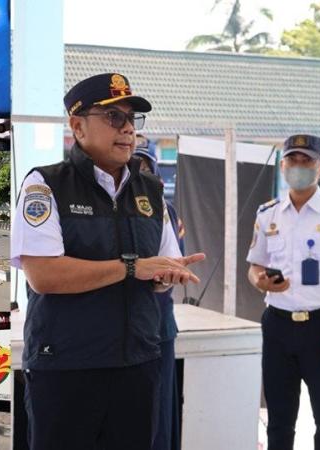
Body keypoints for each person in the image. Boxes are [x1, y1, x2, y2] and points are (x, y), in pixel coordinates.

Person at [11, 72, 205, 450]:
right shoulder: (46, 185)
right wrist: (132, 268)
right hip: (67, 367)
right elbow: (43, 275)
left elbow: (160, 271)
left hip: (137, 365)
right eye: (114, 117)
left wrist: (168, 276)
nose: (128, 129)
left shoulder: (150, 190)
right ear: (78, 126)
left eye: (133, 119)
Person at [246, 134, 320, 450]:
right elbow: (254, 267)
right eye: (292, 161)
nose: (299, 167)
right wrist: (260, 281)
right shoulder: (267, 214)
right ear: (282, 166)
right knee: (280, 421)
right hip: (278, 326)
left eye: (306, 161)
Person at [134, 139, 184, 450]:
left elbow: (177, 267)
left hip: (158, 327)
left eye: (144, 168)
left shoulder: (167, 212)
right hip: (118, 329)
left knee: (159, 416)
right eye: (132, 167)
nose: (138, 173)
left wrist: (162, 276)